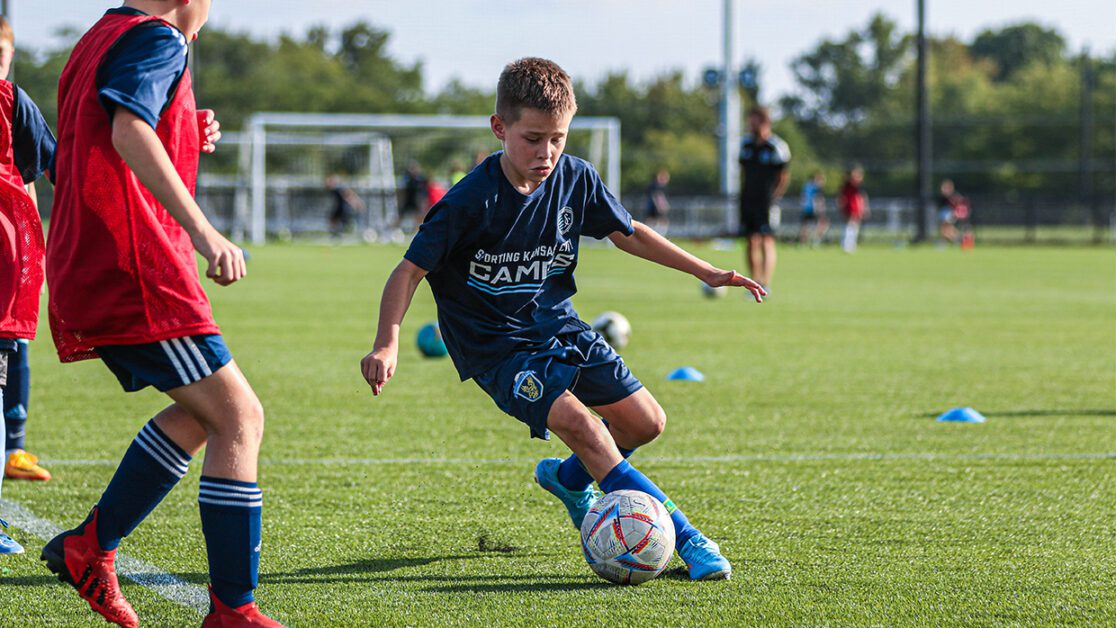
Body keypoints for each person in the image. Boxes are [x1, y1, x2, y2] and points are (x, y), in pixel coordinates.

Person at [360, 58, 766, 582]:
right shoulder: (468, 201)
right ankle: (688, 538)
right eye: (532, 139)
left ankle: (570, 481)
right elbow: (409, 270)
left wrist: (706, 271)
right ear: (499, 128)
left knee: (646, 423)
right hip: (496, 348)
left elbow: (627, 232)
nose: (546, 153)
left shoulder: (575, 179)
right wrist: (386, 344)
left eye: (557, 138)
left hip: (558, 325)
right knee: (583, 427)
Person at [42, 2, 281, 626]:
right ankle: (233, 609)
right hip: (134, 267)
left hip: (97, 261)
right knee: (239, 417)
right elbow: (127, 131)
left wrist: (179, 129)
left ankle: (89, 546)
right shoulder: (160, 38)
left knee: (206, 415)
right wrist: (207, 233)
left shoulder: (104, 32)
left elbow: (108, 128)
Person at [0, 38, 57, 553]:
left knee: (12, 359)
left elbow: (54, 170)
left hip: (9, 264)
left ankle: (14, 447)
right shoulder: (12, 101)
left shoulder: (15, 104)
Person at [738, 105, 790, 290]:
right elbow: (744, 170)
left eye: (754, 119)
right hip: (748, 200)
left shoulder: (776, 146)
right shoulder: (745, 144)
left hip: (767, 201)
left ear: (764, 121)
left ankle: (765, 283)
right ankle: (754, 282)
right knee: (751, 240)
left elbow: (783, 175)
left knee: (767, 239)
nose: (750, 123)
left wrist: (775, 196)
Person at [837, 166, 869, 253]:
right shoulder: (850, 185)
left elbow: (862, 197)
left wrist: (865, 208)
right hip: (852, 206)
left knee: (854, 226)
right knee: (851, 225)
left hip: (855, 207)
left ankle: (850, 244)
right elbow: (842, 197)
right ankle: (847, 245)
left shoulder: (856, 186)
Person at [325, 174, 365, 239]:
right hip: (338, 207)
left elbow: (349, 195)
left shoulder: (339, 188)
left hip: (343, 208)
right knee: (333, 220)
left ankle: (341, 233)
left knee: (339, 221)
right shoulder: (334, 189)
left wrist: (356, 203)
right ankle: (337, 234)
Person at [798, 170, 828, 247]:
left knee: (805, 226)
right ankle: (815, 241)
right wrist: (819, 210)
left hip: (805, 209)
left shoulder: (806, 186)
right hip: (814, 209)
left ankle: (803, 244)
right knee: (822, 224)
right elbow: (817, 200)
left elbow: (803, 198)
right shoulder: (816, 188)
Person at [645, 168, 670, 234]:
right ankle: (658, 236)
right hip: (655, 207)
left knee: (652, 221)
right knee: (662, 221)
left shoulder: (654, 185)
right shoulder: (657, 186)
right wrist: (660, 206)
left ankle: (649, 234)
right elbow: (657, 197)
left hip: (652, 207)